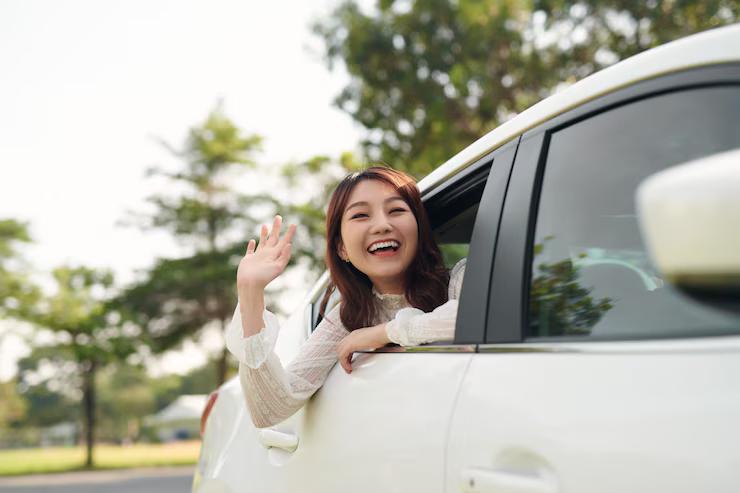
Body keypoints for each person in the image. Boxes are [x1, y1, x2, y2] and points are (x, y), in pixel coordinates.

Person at [225, 167, 466, 428]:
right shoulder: (348, 319)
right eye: (361, 215)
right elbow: (271, 409)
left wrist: (382, 333)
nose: (383, 225)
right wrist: (250, 292)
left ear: (419, 229)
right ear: (341, 248)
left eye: (396, 210)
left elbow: (478, 317)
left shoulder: (462, 279)